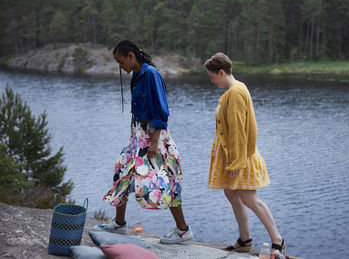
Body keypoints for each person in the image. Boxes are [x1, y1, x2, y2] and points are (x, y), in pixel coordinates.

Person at [93, 40, 193, 244]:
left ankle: (183, 230)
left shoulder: (150, 74)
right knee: (121, 170)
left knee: (168, 178)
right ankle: (119, 224)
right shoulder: (138, 75)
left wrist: (155, 141)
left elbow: (161, 109)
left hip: (155, 136)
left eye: (121, 62)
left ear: (131, 56)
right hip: (139, 135)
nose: (121, 67)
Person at [204, 52, 286, 254]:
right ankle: (245, 239)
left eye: (212, 76)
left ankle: (278, 240)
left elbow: (239, 132)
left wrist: (236, 164)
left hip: (240, 156)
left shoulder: (235, 93)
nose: (211, 80)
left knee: (249, 198)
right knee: (231, 193)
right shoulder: (234, 89)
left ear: (221, 72)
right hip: (233, 155)